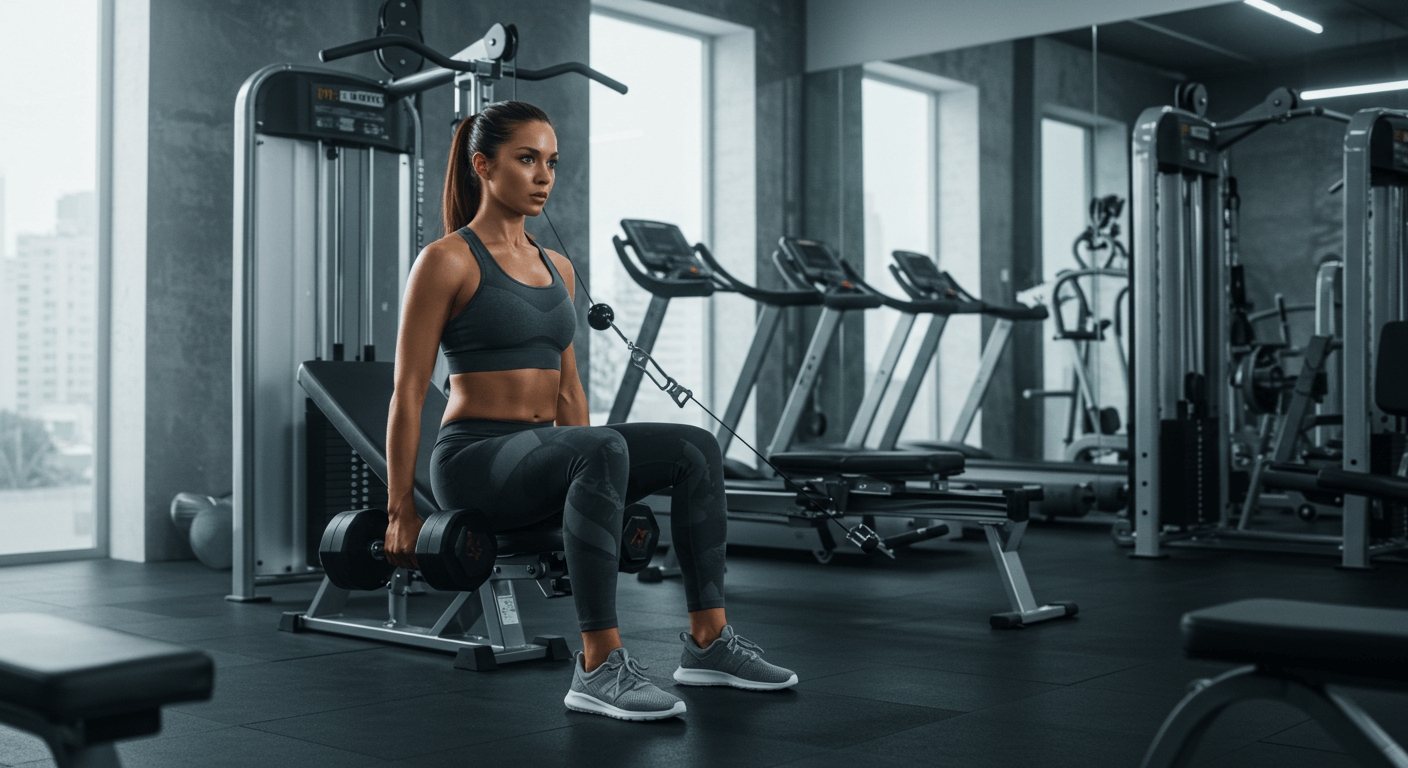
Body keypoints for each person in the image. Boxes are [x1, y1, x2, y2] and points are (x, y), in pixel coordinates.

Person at [382, 101, 796, 721]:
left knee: (696, 448)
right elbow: (409, 389)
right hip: (473, 460)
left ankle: (709, 643)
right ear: (483, 167)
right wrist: (401, 509)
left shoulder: (561, 268)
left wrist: (591, 487)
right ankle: (599, 667)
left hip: (543, 456)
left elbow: (570, 391)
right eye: (526, 159)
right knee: (601, 447)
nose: (544, 175)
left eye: (551, 162)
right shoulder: (447, 260)